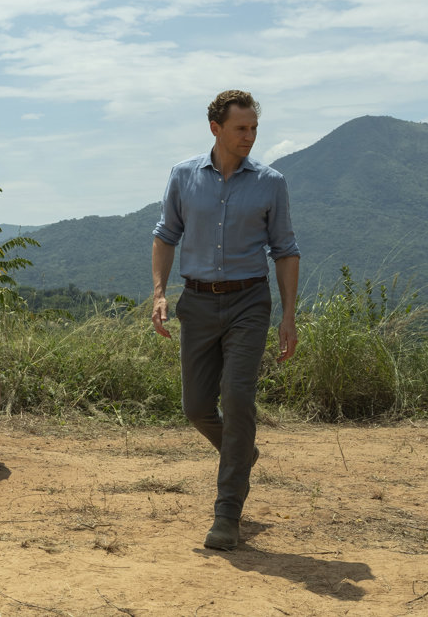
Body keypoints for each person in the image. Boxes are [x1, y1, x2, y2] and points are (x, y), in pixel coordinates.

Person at [150, 89, 299, 551]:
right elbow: (165, 236)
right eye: (241, 128)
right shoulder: (183, 176)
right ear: (216, 128)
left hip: (249, 303)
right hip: (196, 303)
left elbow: (286, 250)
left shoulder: (271, 182)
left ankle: (227, 514)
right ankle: (242, 450)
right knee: (196, 407)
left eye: (254, 128)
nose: (249, 136)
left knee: (237, 399)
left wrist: (288, 314)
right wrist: (159, 293)